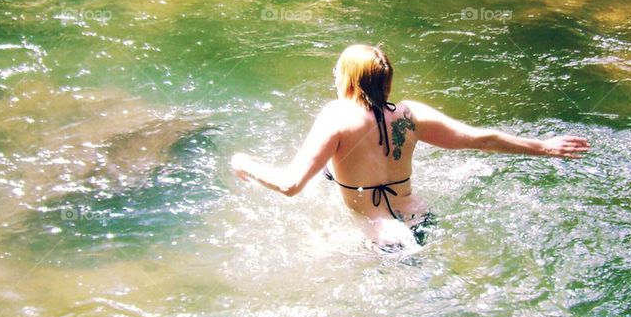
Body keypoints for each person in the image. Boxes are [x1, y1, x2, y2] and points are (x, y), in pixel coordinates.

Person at [231, 44, 591, 249]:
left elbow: (291, 185)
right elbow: (481, 139)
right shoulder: (410, 114)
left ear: (348, 79)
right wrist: (543, 147)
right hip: (421, 221)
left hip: (380, 241)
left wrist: (245, 161)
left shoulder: (337, 116)